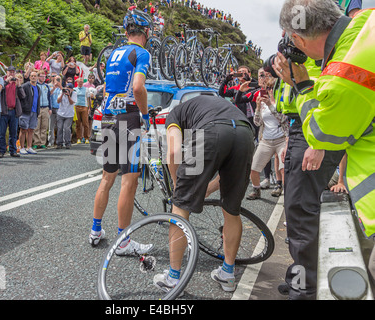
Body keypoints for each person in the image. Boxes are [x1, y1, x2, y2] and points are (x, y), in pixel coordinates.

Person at [274, 0, 374, 299]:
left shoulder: (344, 71)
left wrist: (301, 85)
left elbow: (324, 133)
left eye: (293, 42)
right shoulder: (366, 22)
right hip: (310, 128)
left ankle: (304, 287)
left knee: (300, 210)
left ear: (300, 39)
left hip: (312, 133)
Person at [153, 95, 255, 293]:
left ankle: (173, 278)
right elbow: (223, 177)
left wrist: (178, 187)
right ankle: (227, 274)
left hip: (209, 131)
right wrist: (205, 188)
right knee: (232, 210)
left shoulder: (174, 114)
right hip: (244, 132)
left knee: (180, 208)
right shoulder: (216, 105)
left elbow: (173, 153)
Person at [88, 9, 153, 256]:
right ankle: (123, 241)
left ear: (127, 32)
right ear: (146, 33)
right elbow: (138, 87)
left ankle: (96, 230)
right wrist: (145, 116)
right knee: (130, 179)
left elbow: (109, 88)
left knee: (107, 177)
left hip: (108, 117)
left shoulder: (114, 52)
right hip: (129, 117)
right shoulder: (142, 53)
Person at [239, 70, 288, 200]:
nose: (269, 90)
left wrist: (270, 105)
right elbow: (257, 122)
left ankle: (286, 194)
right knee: (253, 168)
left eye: (271, 88)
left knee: (284, 169)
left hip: (281, 139)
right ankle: (256, 190)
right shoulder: (261, 102)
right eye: (267, 88)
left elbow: (283, 119)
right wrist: (258, 108)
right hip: (266, 139)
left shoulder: (280, 101)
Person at [0, 66, 24, 158]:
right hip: (4, 110)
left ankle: (13, 150)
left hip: (14, 111)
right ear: (7, 72)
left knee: (13, 133)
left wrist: (19, 85)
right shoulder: (2, 81)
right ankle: (1, 150)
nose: (12, 74)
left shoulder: (16, 83)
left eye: (13, 72)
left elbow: (23, 96)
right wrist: (6, 82)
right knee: (1, 132)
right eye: (10, 72)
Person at [18, 71, 40, 155]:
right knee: (23, 129)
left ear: (37, 77)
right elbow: (21, 97)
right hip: (25, 111)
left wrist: (37, 111)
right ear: (29, 77)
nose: (33, 77)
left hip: (34, 111)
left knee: (31, 130)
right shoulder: (25, 86)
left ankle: (29, 147)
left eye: (35, 76)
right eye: (32, 76)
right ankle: (21, 147)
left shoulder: (38, 88)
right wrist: (24, 107)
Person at [33, 70, 52, 149]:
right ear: (38, 77)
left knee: (44, 126)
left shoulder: (46, 86)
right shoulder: (35, 85)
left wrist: (50, 108)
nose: (43, 78)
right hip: (38, 108)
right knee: (37, 126)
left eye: (44, 76)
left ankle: (43, 142)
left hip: (45, 107)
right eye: (41, 76)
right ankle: (36, 142)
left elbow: (49, 97)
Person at [56, 83, 76, 149]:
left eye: (69, 88)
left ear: (72, 89)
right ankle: (59, 143)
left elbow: (71, 103)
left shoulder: (74, 94)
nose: (67, 89)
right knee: (60, 128)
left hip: (69, 114)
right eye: (66, 88)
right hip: (60, 113)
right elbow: (58, 101)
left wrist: (68, 96)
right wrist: (62, 94)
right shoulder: (61, 92)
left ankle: (68, 143)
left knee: (67, 128)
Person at [48, 74, 62, 147]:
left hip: (60, 109)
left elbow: (65, 93)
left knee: (60, 126)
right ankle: (51, 141)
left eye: (59, 79)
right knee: (51, 126)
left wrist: (60, 86)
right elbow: (49, 94)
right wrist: (54, 87)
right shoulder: (51, 87)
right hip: (53, 108)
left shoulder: (62, 88)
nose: (58, 81)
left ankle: (59, 141)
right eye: (57, 79)